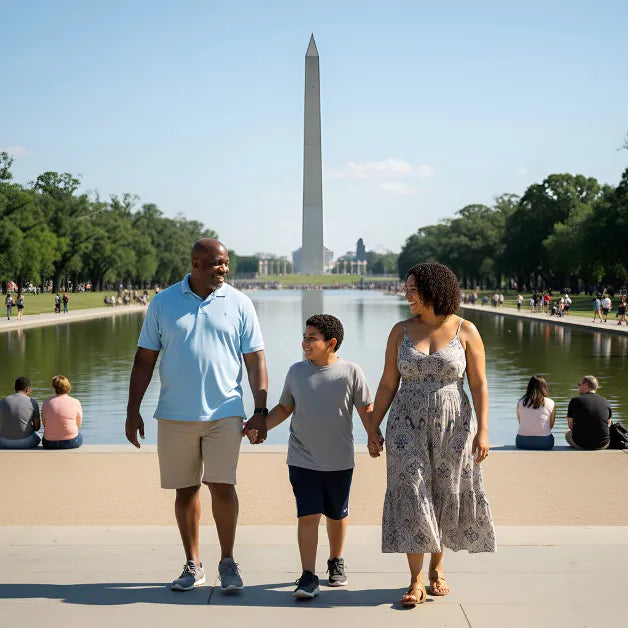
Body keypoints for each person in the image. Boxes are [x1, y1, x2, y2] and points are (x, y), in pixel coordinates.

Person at [125, 238, 268, 594]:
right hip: (175, 414)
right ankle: (193, 564)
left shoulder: (240, 303)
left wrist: (261, 410)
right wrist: (132, 409)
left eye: (226, 264)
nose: (223, 269)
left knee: (223, 486)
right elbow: (145, 359)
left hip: (225, 412)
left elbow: (256, 361)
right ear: (196, 263)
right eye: (217, 263)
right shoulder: (163, 302)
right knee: (185, 491)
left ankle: (228, 562)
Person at [368, 262, 495, 607]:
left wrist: (483, 431)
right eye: (406, 289)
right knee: (411, 493)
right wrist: (372, 426)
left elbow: (479, 384)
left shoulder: (466, 330)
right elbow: (387, 382)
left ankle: (437, 570)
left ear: (433, 291)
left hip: (454, 424)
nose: (407, 294)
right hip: (404, 425)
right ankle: (415, 579)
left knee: (445, 492)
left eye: (413, 289)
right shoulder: (400, 330)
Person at [245, 314, 375, 599]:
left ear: (331, 343)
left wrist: (374, 437)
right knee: (308, 515)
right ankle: (307, 575)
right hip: (302, 459)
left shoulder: (351, 372)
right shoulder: (296, 372)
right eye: (304, 337)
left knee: (337, 515)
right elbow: (283, 408)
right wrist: (260, 426)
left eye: (311, 338)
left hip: (340, 460)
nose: (305, 343)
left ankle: (336, 560)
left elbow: (366, 409)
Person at [565, 376, 612, 450]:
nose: (578, 387)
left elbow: (570, 426)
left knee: (567, 433)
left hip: (581, 444)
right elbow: (608, 423)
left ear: (586, 385)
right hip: (603, 444)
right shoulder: (605, 401)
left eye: (579, 384)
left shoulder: (575, 400)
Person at [41, 375, 84, 449]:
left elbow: (45, 423)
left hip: (49, 443)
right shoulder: (75, 402)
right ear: (68, 386)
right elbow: (78, 424)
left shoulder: (46, 402)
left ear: (54, 388)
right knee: (80, 436)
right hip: (70, 442)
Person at [0, 376, 41, 449]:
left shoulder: (3, 401)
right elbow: (37, 427)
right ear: (28, 389)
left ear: (15, 388)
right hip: (25, 443)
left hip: (3, 442)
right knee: (38, 435)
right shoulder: (32, 402)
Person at [515, 376, 555, 450]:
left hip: (522, 442)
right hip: (545, 443)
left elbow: (521, 422)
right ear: (544, 387)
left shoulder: (520, 402)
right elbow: (551, 425)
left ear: (529, 387)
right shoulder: (551, 402)